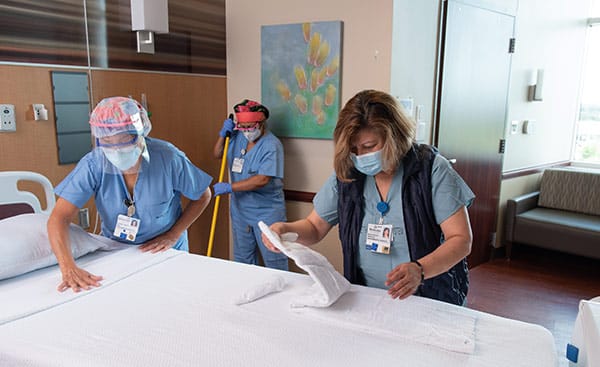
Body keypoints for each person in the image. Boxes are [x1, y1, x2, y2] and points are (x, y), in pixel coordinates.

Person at [262, 90, 475, 305]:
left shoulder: (431, 170)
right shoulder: (348, 175)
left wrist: (420, 270)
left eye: (369, 146)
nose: (361, 156)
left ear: (395, 136)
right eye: (354, 149)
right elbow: (315, 228)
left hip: (427, 296)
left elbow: (460, 240)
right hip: (367, 298)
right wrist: (285, 230)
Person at [48, 96, 213, 292]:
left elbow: (203, 196)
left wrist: (173, 235)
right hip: (117, 249)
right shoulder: (94, 164)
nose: (116, 149)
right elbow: (59, 218)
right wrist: (68, 268)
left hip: (164, 249)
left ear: (140, 131)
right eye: (108, 141)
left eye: (125, 140)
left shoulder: (168, 158)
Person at [212, 99, 288, 270]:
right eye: (242, 126)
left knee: (274, 260)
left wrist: (229, 187)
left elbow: (262, 179)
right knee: (243, 261)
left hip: (267, 213)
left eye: (250, 126)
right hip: (240, 211)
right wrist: (222, 135)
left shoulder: (271, 145)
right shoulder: (237, 136)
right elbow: (217, 153)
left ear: (261, 123)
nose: (246, 131)